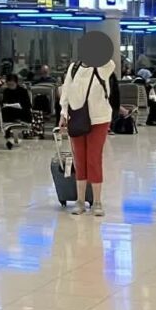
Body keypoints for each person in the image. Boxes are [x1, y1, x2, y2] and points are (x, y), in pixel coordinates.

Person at [59, 56, 117, 217]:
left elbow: (110, 63)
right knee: (79, 159)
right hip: (76, 118)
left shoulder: (103, 66)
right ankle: (80, 200)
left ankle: (97, 201)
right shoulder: (74, 67)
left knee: (93, 158)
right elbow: (66, 91)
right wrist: (63, 114)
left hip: (99, 119)